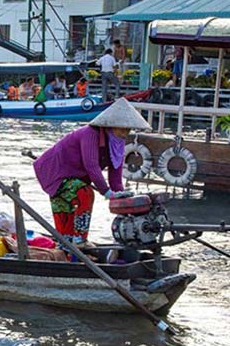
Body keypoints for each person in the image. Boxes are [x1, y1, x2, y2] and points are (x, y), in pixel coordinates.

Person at [32, 98, 151, 249]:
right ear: (111, 126)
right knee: (85, 193)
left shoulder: (117, 143)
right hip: (55, 173)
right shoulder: (90, 133)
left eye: (128, 130)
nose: (125, 134)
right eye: (122, 129)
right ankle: (80, 239)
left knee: (65, 235)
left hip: (74, 176)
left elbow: (115, 176)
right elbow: (91, 165)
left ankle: (69, 248)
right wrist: (107, 193)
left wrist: (121, 198)